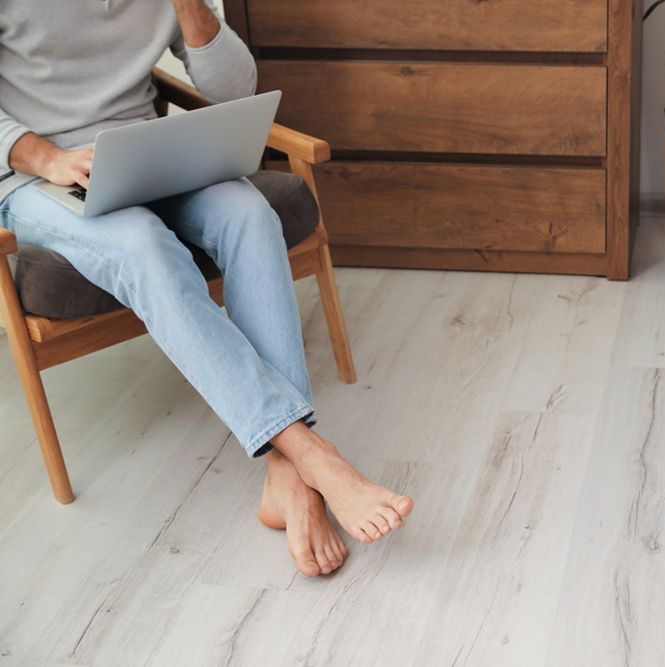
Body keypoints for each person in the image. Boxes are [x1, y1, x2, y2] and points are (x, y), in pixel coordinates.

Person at [0, 0, 413, 577]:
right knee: (143, 245)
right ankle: (310, 455)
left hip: (148, 154)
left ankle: (286, 477)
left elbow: (235, 88)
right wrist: (47, 157)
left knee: (249, 214)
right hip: (37, 177)